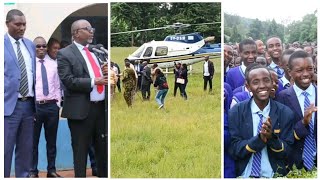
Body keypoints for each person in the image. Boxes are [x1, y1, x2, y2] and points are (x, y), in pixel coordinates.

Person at [57, 19, 107, 177]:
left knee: (103, 150)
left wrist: (106, 72)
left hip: (101, 109)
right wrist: (94, 81)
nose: (91, 31)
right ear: (76, 33)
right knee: (80, 152)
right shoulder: (65, 53)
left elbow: (99, 75)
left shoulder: (94, 51)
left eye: (92, 28)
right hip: (81, 111)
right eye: (87, 28)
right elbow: (68, 80)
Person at [228, 65, 294, 177]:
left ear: (272, 83)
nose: (262, 86)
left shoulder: (285, 113)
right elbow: (234, 150)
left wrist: (272, 138)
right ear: (247, 86)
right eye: (256, 82)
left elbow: (288, 151)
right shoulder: (236, 112)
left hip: (273, 175)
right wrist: (259, 140)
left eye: (266, 80)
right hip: (245, 175)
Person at [4, 9, 36, 178]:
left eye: (24, 24)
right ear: (7, 24)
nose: (22, 28)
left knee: (25, 150)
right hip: (9, 106)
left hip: (29, 105)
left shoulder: (29, 44)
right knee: (5, 149)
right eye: (17, 24)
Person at [276, 50, 317, 171]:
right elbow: (283, 135)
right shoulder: (282, 97)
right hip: (294, 164)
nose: (306, 74)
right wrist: (303, 123)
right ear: (290, 72)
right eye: (299, 70)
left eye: (310, 69)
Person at [29, 37, 62, 178]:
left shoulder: (53, 64)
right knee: (33, 141)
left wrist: (57, 105)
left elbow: (57, 86)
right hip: (36, 107)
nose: (41, 48)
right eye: (38, 46)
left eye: (43, 46)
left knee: (52, 141)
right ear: (33, 48)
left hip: (51, 107)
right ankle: (32, 171)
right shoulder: (29, 65)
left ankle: (51, 170)